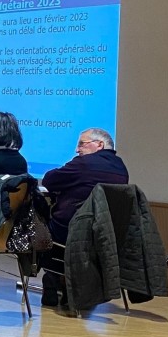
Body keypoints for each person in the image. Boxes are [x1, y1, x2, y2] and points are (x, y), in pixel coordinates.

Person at [40, 127, 129, 306]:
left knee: (39, 229)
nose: (77, 149)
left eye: (82, 144)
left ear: (99, 145)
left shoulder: (83, 164)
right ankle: (67, 286)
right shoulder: (121, 168)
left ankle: (52, 283)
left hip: (72, 231)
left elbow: (49, 180)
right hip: (104, 235)